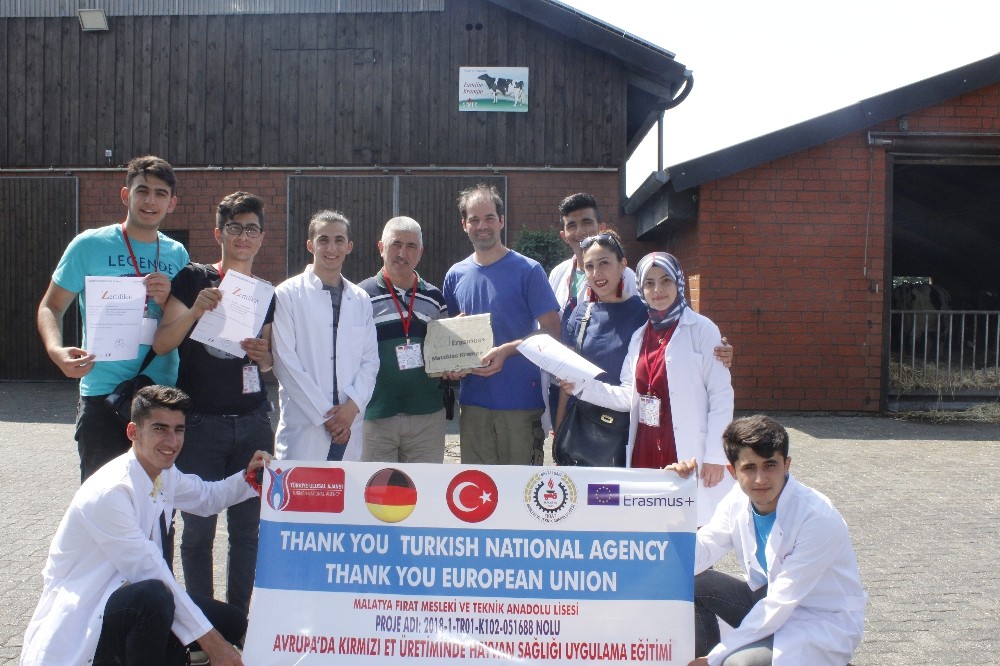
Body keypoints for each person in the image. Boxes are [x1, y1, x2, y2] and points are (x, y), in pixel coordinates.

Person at [20, 385, 272, 666]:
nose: (172, 441)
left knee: (231, 621)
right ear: (133, 432)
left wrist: (250, 478)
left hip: (127, 597)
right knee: (155, 598)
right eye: (160, 429)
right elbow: (148, 569)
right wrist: (215, 646)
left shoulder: (163, 473)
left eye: (179, 430)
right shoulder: (111, 491)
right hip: (86, 616)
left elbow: (207, 498)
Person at [152, 191, 275, 620]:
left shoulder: (265, 292)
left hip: (253, 422)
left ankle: (236, 621)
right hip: (201, 424)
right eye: (235, 228)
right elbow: (162, 342)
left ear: (261, 238)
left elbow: (268, 362)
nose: (243, 237)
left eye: (252, 229)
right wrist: (194, 312)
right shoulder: (193, 278)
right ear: (219, 233)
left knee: (247, 531)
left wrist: (264, 355)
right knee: (198, 532)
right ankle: (200, 624)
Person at [37, 155, 190, 482]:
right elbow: (51, 306)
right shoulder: (89, 245)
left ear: (172, 203)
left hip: (161, 395)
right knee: (102, 499)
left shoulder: (177, 254)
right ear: (125, 195)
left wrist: (167, 300)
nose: (150, 201)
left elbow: (180, 320)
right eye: (142, 191)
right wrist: (55, 350)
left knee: (158, 501)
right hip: (103, 395)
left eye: (160, 194)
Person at [668, 415, 867, 666]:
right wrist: (673, 498)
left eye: (770, 465)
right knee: (692, 583)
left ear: (787, 465)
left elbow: (781, 601)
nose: (760, 479)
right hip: (768, 603)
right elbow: (696, 556)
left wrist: (716, 657)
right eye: (749, 468)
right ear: (732, 471)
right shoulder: (737, 500)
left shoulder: (817, 517)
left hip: (819, 620)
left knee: (738, 663)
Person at [563, 251, 734, 525]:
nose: (658, 290)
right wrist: (582, 387)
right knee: (650, 527)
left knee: (692, 529)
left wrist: (715, 455)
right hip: (646, 445)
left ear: (678, 282)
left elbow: (721, 396)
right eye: (649, 283)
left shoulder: (702, 330)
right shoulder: (640, 336)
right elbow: (627, 396)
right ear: (641, 288)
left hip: (687, 451)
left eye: (666, 280)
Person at [442, 183, 561, 465]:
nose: (482, 226)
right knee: (478, 487)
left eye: (489, 218)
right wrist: (451, 364)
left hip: (519, 404)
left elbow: (552, 332)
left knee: (521, 488)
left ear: (501, 221)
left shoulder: (528, 270)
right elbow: (454, 339)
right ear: (464, 225)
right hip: (473, 405)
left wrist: (507, 350)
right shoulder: (455, 276)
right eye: (474, 219)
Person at [271, 210, 378, 461]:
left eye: (339, 240)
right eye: (323, 240)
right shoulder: (287, 294)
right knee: (301, 486)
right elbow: (285, 361)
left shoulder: (360, 299)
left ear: (349, 246)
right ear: (310, 245)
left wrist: (351, 408)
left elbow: (370, 361)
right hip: (305, 427)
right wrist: (326, 416)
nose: (332, 248)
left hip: (349, 423)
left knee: (345, 486)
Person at [357, 216, 449, 463]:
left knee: (424, 485)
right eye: (396, 244)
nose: (402, 253)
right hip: (375, 415)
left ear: (420, 252)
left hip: (426, 417)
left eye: (411, 246)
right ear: (381, 247)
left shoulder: (435, 298)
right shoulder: (360, 297)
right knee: (375, 486)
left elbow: (445, 355)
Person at [548, 193, 637, 323]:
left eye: (586, 222)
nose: (580, 232)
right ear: (564, 236)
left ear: (601, 228)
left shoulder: (625, 276)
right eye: (571, 225)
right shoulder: (557, 274)